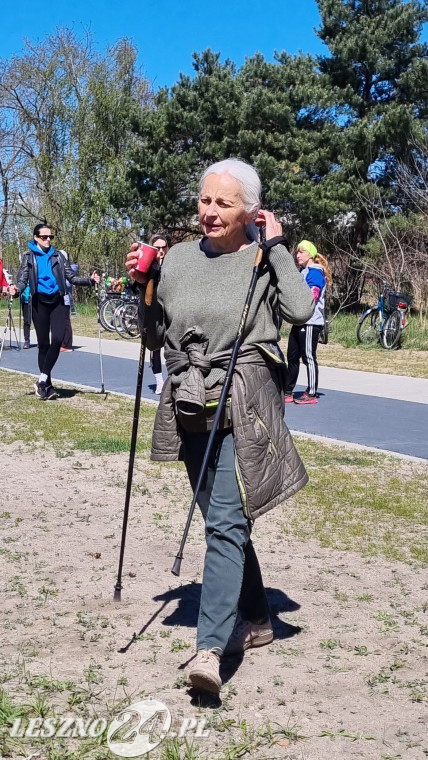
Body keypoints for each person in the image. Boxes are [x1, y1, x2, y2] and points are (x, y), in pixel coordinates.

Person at [126, 158, 314, 696]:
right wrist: (144, 284)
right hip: (190, 402)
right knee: (223, 519)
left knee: (226, 523)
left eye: (223, 203)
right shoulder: (179, 260)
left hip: (242, 404)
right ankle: (257, 620)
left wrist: (276, 247)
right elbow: (153, 335)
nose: (209, 212)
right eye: (205, 200)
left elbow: (299, 310)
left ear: (250, 212)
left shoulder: (262, 258)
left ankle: (210, 648)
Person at [15, 224, 100, 400]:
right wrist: (16, 290)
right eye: (44, 237)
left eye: (50, 237)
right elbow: (22, 280)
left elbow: (72, 277)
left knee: (59, 339)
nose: (48, 240)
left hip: (58, 302)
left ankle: (42, 380)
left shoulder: (59, 256)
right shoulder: (28, 257)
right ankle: (48, 387)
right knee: (44, 345)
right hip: (39, 303)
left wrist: (90, 281)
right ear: (36, 238)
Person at [285, 240, 332, 405]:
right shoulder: (303, 272)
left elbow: (311, 298)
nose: (298, 255)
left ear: (310, 254)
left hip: (311, 322)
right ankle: (287, 391)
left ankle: (311, 393)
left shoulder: (315, 273)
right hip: (299, 321)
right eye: (297, 252)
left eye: (302, 252)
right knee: (292, 356)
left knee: (308, 357)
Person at [147, 234, 169, 395]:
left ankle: (173, 380)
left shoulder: (172, 264)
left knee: (173, 346)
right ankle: (159, 381)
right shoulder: (149, 266)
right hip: (154, 310)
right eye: (158, 248)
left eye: (164, 247)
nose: (161, 251)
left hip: (170, 310)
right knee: (155, 348)